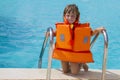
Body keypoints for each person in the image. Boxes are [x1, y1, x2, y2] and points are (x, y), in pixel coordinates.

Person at [46, 4, 105, 75]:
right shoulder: (62, 27)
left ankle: (82, 62)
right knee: (65, 71)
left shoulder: (80, 28)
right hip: (65, 53)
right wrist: (50, 33)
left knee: (74, 72)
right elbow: (55, 34)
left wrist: (98, 30)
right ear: (64, 15)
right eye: (68, 15)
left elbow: (90, 33)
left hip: (75, 54)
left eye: (72, 16)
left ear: (77, 17)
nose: (70, 18)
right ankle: (77, 64)